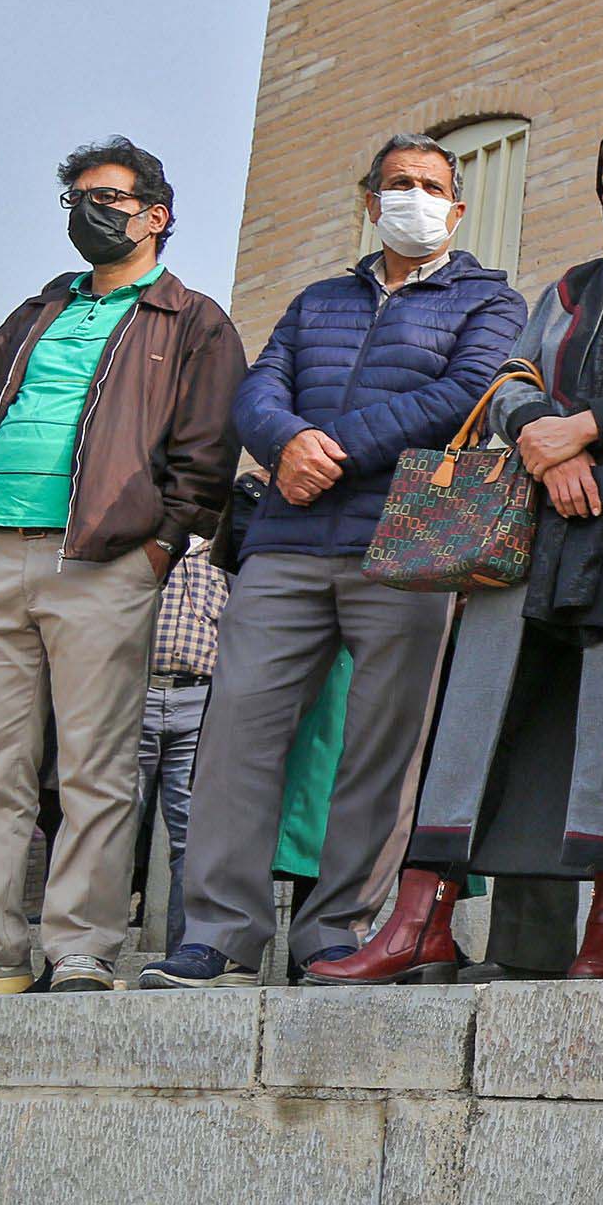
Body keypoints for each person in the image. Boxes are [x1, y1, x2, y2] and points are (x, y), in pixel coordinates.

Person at [334, 121, 603, 985]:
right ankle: (423, 920)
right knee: (493, 712)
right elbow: (510, 374)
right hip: (538, 524)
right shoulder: (569, 287)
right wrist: (546, 446)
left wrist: (584, 426)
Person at [142, 136, 522, 987]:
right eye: (397, 184)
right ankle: (220, 935)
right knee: (237, 737)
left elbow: (465, 391)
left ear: (457, 210)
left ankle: (335, 931)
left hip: (406, 549)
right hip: (284, 545)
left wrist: (333, 447)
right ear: (369, 200)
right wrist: (286, 441)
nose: (413, 197)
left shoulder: (488, 301)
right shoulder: (317, 300)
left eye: (431, 186)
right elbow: (256, 390)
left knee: (380, 754)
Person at [0, 139, 245, 996]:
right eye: (79, 200)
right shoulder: (32, 315)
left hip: (102, 562)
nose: (91, 213)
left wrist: (159, 546)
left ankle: (83, 948)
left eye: (109, 198)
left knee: (95, 765)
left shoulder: (192, 320)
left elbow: (207, 455)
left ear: (155, 215)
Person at [134, 547, 226, 955]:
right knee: (111, 826)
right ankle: (87, 951)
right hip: (134, 691)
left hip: (201, 696)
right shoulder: (148, 538)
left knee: (192, 835)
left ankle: (183, 953)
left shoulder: (224, 548)